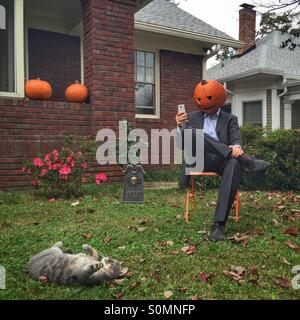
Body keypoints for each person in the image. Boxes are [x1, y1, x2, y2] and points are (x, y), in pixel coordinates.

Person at [176, 81, 270, 242]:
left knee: (233, 163)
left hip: (221, 160)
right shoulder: (190, 117)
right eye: (199, 99)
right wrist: (180, 127)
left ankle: (219, 225)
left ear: (219, 99)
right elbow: (182, 144)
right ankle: (248, 161)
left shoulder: (230, 119)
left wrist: (237, 148)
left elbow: (235, 139)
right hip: (199, 159)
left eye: (209, 97)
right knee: (192, 132)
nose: (203, 102)